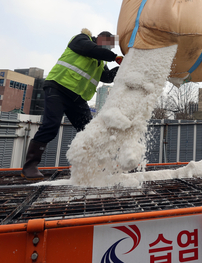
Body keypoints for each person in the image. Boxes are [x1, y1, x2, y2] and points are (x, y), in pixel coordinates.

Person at [21, 28, 124, 180]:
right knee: (50, 126)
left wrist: (124, 67)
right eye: (109, 45)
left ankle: (92, 166)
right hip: (58, 88)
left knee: (90, 131)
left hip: (77, 98)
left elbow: (107, 77)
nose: (109, 49)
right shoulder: (81, 40)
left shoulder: (100, 61)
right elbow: (90, 49)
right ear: (101, 39)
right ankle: (29, 166)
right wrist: (114, 57)